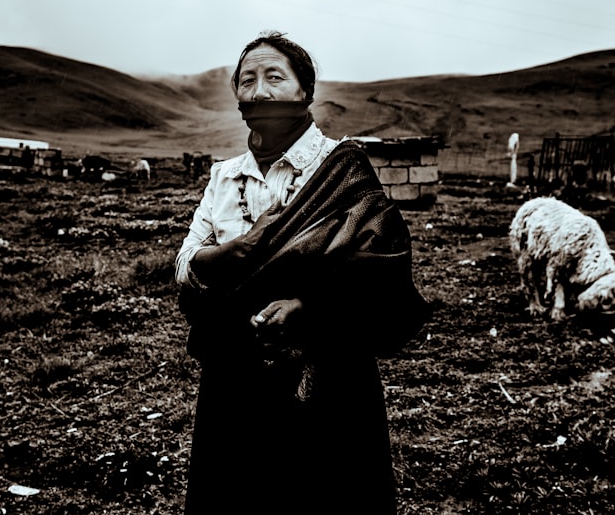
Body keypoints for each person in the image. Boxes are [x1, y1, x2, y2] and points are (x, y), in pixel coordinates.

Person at [174, 31, 429, 515]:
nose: (260, 91)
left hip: (328, 374)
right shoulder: (224, 178)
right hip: (233, 377)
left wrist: (310, 309)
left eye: (274, 77)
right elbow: (186, 269)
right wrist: (233, 252)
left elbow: (382, 273)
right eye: (246, 81)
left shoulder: (342, 168)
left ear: (303, 91)